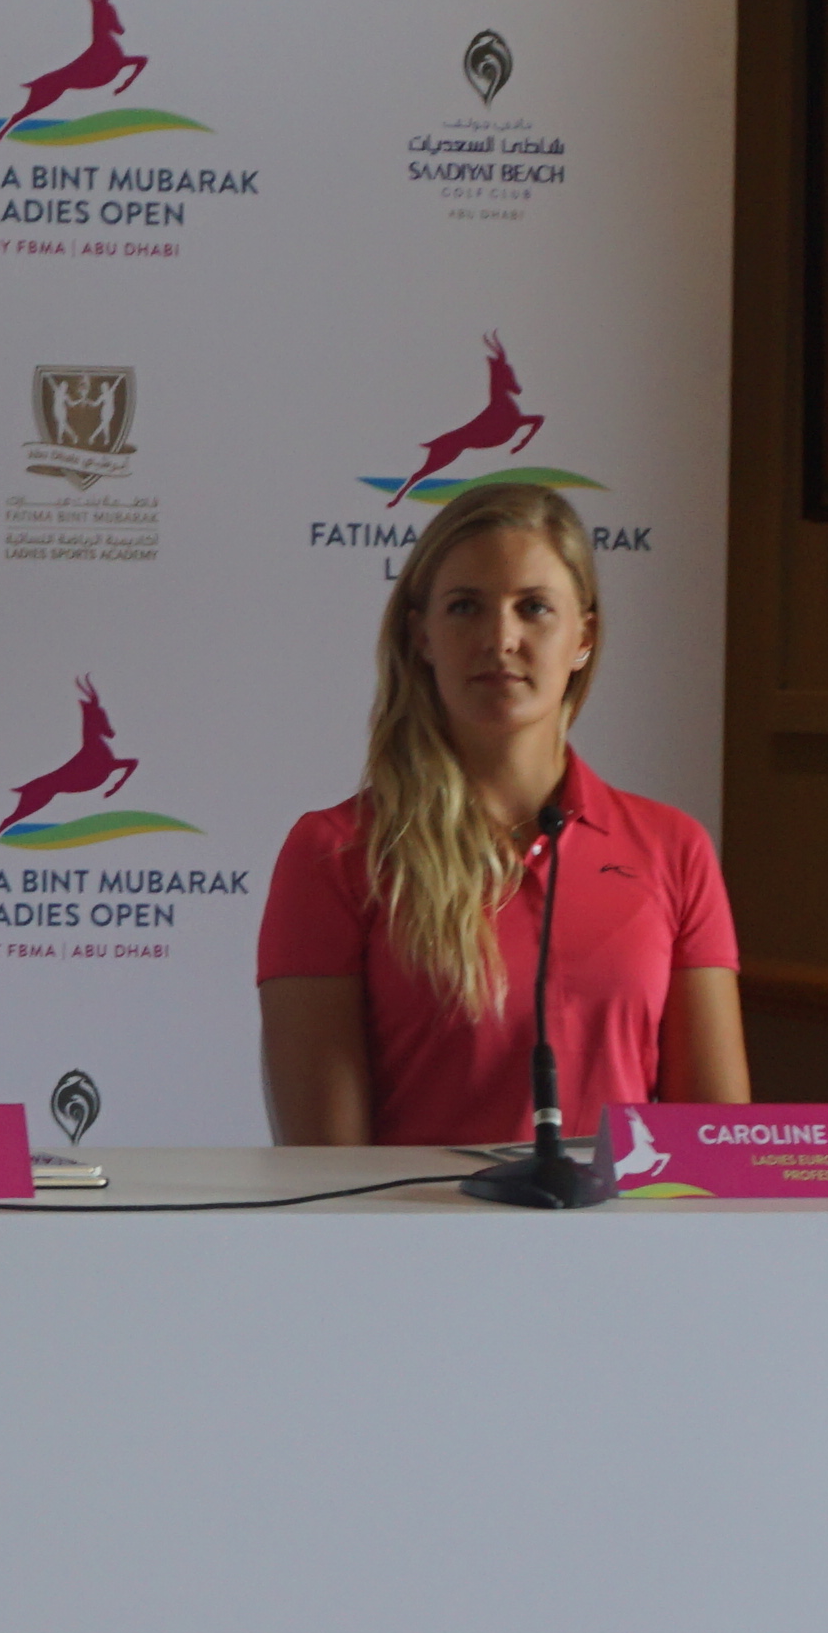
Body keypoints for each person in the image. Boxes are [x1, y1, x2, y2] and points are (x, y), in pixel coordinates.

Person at [257, 481, 745, 1148]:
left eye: (534, 608)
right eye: (465, 607)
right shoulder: (333, 851)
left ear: (583, 637)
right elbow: (323, 1167)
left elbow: (712, 1146)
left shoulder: (673, 848)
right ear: (422, 636)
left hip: (623, 1220)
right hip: (410, 1219)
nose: (500, 638)